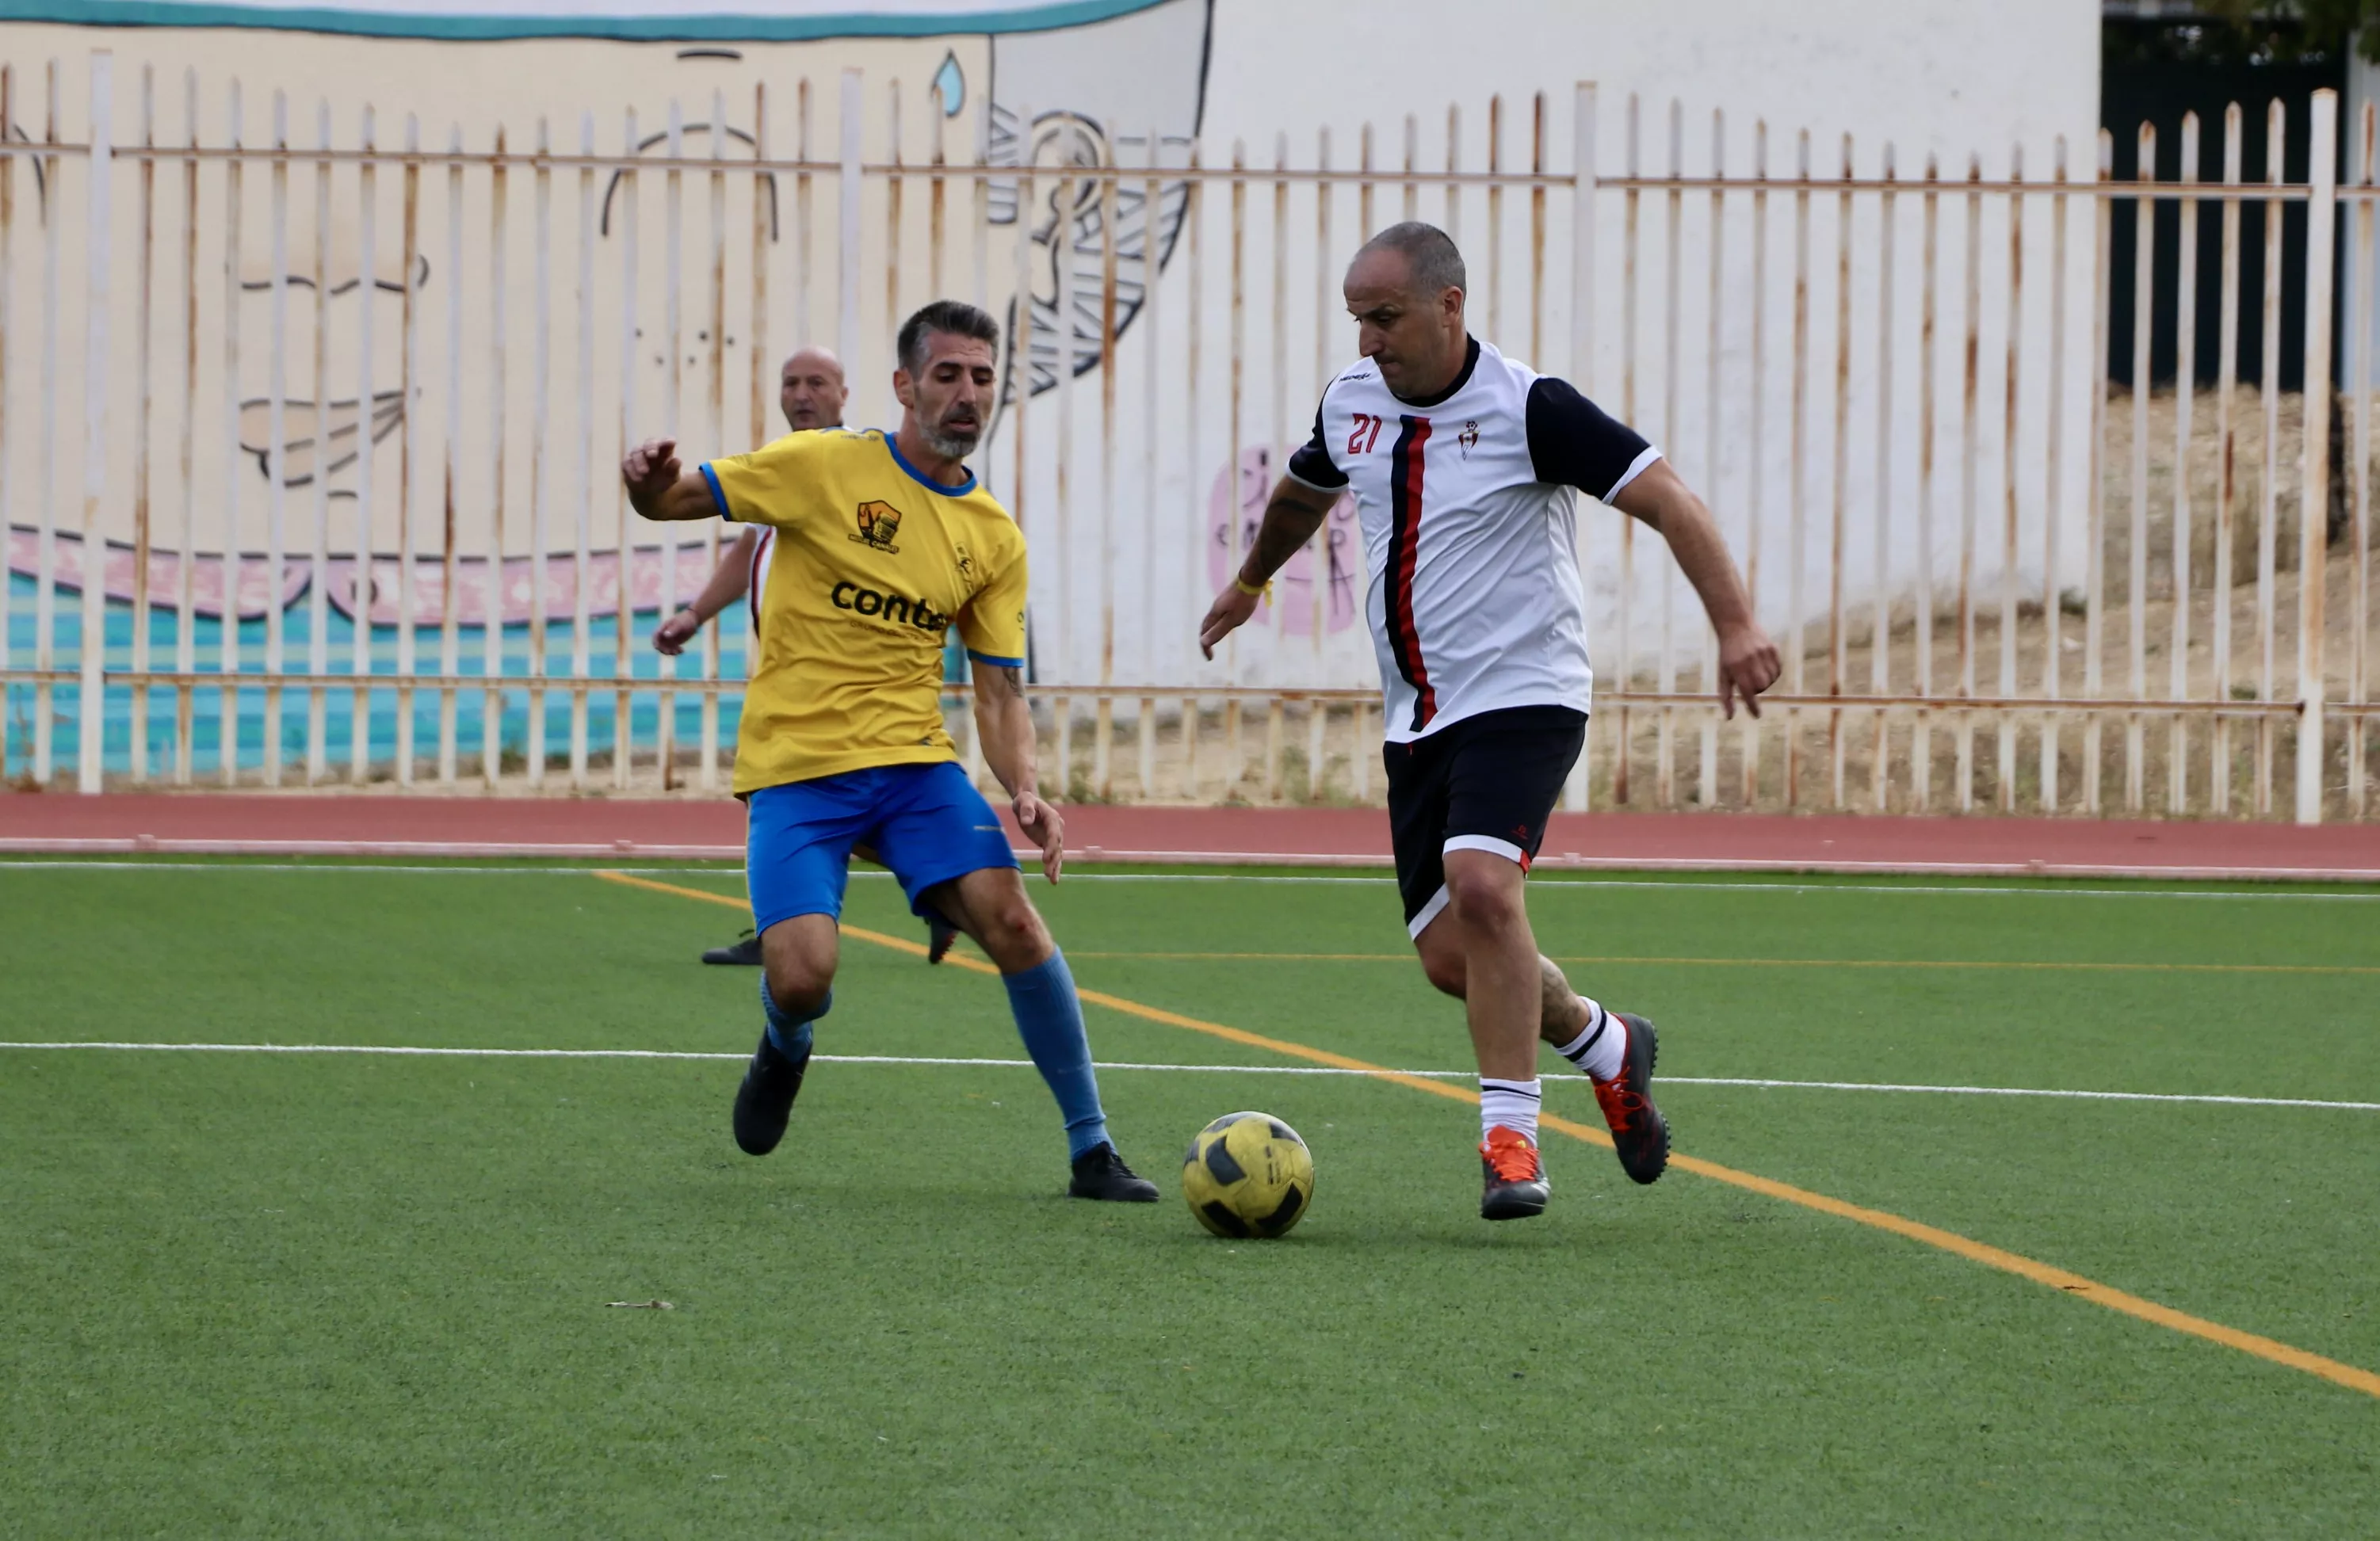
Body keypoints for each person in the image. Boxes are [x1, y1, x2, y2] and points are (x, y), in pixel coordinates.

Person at [1199, 222, 1782, 1222]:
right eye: (1358, 322)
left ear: (1450, 305)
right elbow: (1304, 491)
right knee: (1449, 958)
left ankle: (1510, 1139)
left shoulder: (1531, 407)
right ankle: (1607, 1043)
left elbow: (1673, 503)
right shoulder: (1351, 405)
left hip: (1527, 693)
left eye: (1385, 318)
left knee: (1482, 883)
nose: (1369, 340)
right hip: (1418, 713)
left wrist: (1735, 627)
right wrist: (1251, 581)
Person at [623, 299, 1158, 1202]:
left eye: (982, 377)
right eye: (947, 375)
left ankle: (1092, 1148)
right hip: (797, 771)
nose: (966, 394)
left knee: (1016, 921)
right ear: (905, 385)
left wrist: (1024, 786)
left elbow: (997, 689)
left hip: (913, 770)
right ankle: (784, 1046)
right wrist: (645, 480)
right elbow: (673, 500)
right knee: (801, 977)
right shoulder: (823, 466)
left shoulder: (992, 536)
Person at [650, 345, 959, 968]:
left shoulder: (856, 468)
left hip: (844, 682)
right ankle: (919, 895)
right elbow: (748, 548)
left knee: (799, 797)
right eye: (790, 382)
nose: (800, 394)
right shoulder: (784, 466)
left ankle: (921, 890)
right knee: (807, 802)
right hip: (789, 672)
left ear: (845, 394)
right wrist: (694, 613)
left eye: (817, 382)